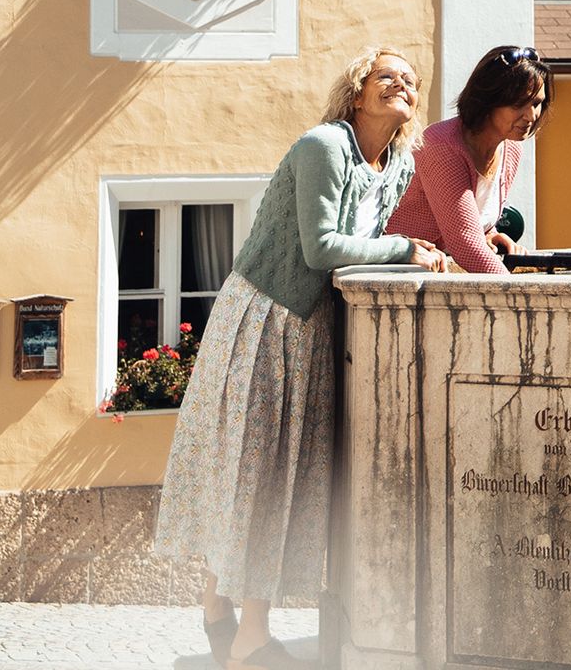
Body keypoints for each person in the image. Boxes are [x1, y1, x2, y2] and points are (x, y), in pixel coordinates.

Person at [151, 47, 447, 670]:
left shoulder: (395, 161)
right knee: (258, 469)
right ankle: (251, 637)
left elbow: (387, 232)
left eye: (411, 81)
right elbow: (320, 249)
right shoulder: (323, 146)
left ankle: (218, 611)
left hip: (308, 329)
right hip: (269, 315)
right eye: (387, 76)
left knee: (266, 472)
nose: (402, 85)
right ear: (357, 91)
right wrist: (405, 250)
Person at [386, 45, 551, 273]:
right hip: (392, 272)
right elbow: (465, 246)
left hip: (437, 271)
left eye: (536, 103)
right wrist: (521, 300)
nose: (531, 115)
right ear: (488, 100)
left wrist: (489, 234)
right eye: (518, 104)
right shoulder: (441, 145)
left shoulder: (511, 148)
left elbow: (467, 228)